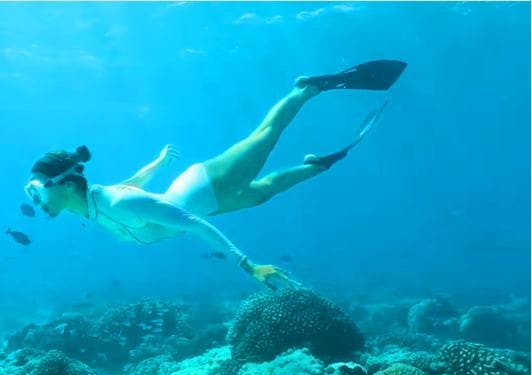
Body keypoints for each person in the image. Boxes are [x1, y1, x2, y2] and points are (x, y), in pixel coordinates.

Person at [24, 60, 406, 288]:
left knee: (265, 139)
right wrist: (157, 164)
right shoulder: (92, 204)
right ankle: (318, 164)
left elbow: (192, 224)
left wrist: (248, 264)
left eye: (38, 190)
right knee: (262, 194)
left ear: (66, 182)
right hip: (206, 203)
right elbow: (133, 182)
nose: (37, 200)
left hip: (204, 186)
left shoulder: (119, 202)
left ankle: (304, 90)